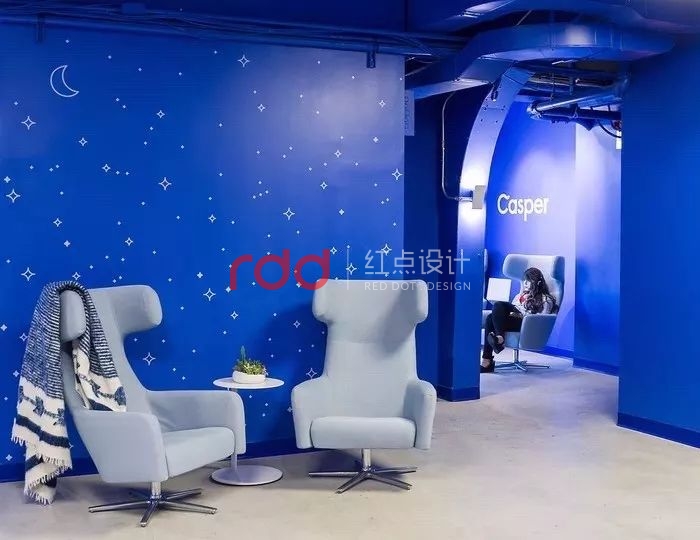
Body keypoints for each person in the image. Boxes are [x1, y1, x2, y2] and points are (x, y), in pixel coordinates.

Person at [481, 267, 558, 373]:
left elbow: (541, 320)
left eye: (528, 280)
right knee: (490, 317)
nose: (525, 283)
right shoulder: (520, 296)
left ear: (538, 282)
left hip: (527, 325)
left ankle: (496, 345)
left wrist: (523, 316)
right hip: (514, 321)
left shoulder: (545, 299)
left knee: (499, 304)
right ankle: (488, 358)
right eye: (524, 280)